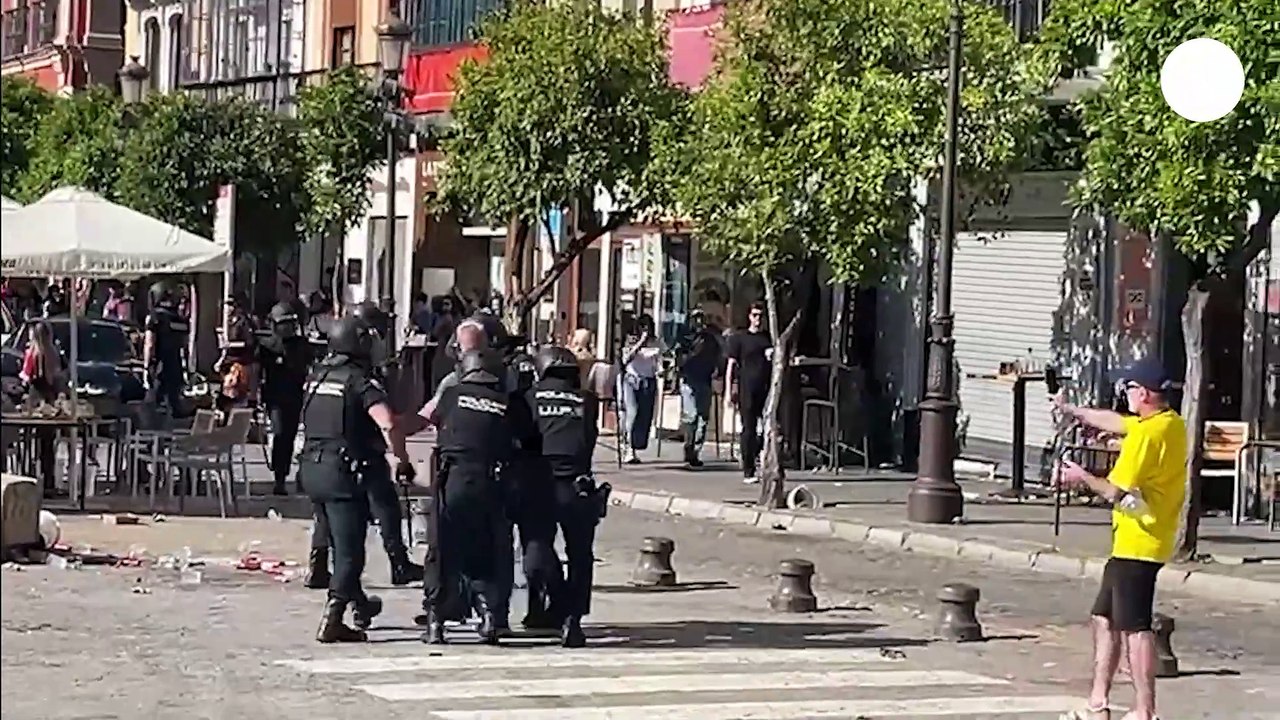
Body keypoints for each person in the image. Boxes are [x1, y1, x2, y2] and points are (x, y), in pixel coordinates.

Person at [1052, 358, 1186, 720]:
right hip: (1135, 539)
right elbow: (1117, 422)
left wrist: (1080, 476)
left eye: (1128, 388)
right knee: (1104, 618)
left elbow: (1114, 489)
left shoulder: (1146, 435)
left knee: (1136, 628)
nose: (1124, 394)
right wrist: (1072, 410)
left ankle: (1145, 711)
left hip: (1140, 541)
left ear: (1143, 393)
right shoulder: (1169, 423)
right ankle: (1098, 702)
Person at [297, 314, 416, 643]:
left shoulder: (317, 377)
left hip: (312, 470)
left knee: (335, 541)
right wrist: (401, 459)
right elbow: (387, 422)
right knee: (350, 553)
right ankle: (333, 619)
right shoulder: (359, 380)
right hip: (343, 473)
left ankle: (360, 603)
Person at [416, 349, 530, 645]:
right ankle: (489, 615)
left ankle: (435, 621)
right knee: (485, 549)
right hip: (490, 481)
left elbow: (435, 421)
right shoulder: (508, 402)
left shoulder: (451, 394)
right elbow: (525, 440)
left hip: (452, 480)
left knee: (441, 550)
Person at [525, 346, 606, 647]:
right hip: (579, 485)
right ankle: (573, 618)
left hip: (541, 483)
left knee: (537, 548)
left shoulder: (530, 397)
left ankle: (557, 600)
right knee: (581, 555)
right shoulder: (587, 400)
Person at [258, 302, 310, 496]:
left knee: (294, 436)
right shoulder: (267, 345)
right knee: (280, 434)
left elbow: (310, 368)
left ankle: (298, 475)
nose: (287, 328)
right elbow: (258, 371)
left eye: (290, 323)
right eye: (283, 324)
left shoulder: (302, 345)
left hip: (297, 395)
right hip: (275, 397)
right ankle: (279, 478)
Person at [725, 302, 773, 483]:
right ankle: (748, 469)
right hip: (747, 388)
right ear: (749, 317)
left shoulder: (768, 338)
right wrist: (728, 391)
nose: (757, 319)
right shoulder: (739, 338)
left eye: (760, 315)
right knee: (749, 428)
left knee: (767, 428)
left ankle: (757, 457)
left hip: (766, 388)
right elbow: (731, 365)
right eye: (754, 315)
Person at [673, 308, 722, 468]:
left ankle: (695, 451)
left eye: (701, 318)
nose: (699, 321)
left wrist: (717, 371)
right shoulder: (684, 336)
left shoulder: (710, 338)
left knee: (703, 418)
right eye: (696, 318)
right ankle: (689, 447)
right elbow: (678, 356)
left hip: (705, 379)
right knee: (691, 416)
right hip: (689, 380)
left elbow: (719, 354)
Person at [21, 321, 66, 493]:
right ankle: (48, 482)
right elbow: (58, 377)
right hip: (49, 399)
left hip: (34, 399)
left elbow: (26, 377)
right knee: (47, 445)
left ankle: (29, 478)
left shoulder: (31, 353)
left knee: (29, 443)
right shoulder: (53, 354)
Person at [617, 314, 662, 464]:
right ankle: (628, 448)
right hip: (632, 380)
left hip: (649, 380)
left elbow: (661, 359)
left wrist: (661, 369)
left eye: (648, 327)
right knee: (632, 413)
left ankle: (636, 445)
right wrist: (640, 343)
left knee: (645, 416)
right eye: (642, 326)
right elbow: (625, 359)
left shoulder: (656, 342)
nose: (645, 330)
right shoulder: (630, 341)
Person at [142, 280, 189, 418]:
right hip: (175, 363)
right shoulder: (178, 319)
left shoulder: (155, 318)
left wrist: (146, 366)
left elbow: (150, 343)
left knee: (153, 401)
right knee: (174, 399)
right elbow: (184, 343)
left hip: (159, 363)